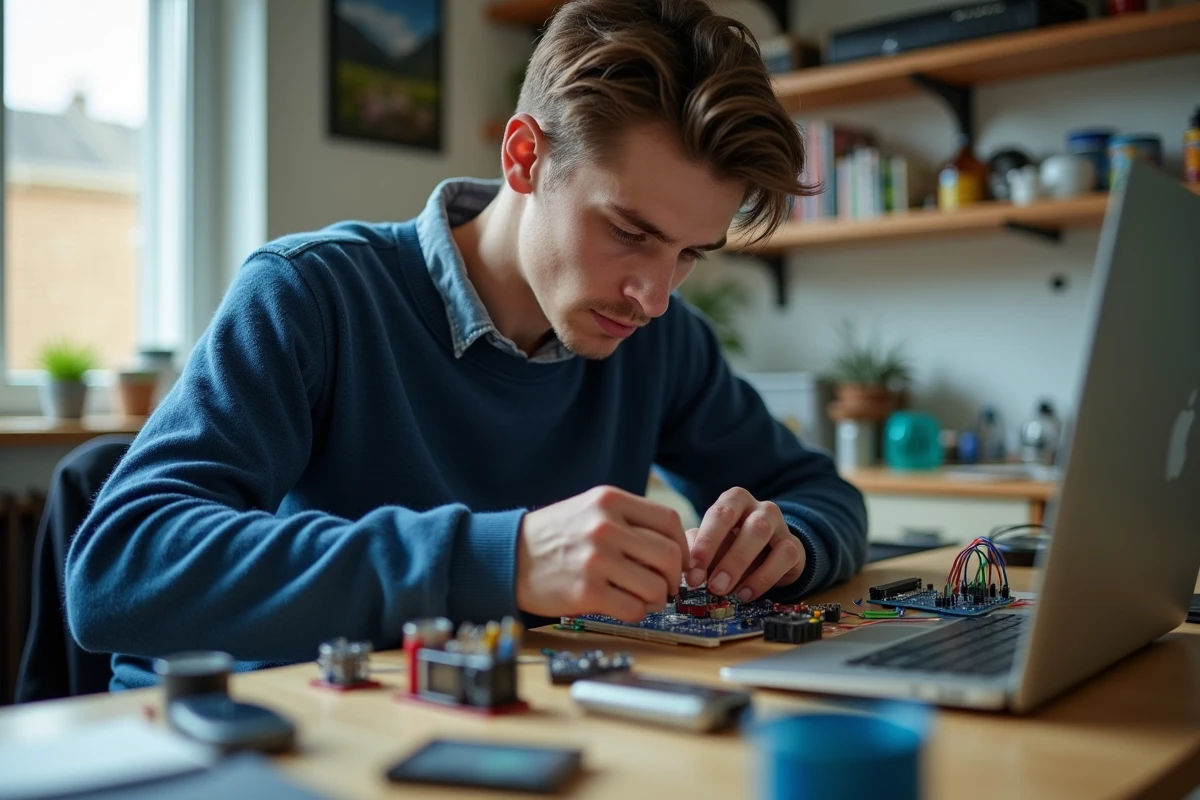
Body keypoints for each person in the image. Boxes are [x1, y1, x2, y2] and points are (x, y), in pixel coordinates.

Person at [66, 0, 867, 690]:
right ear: (525, 157)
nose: (655, 296)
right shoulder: (311, 294)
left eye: (690, 254)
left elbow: (822, 493)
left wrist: (790, 542)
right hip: (284, 732)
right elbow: (119, 569)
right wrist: (501, 560)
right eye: (629, 232)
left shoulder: (662, 343)